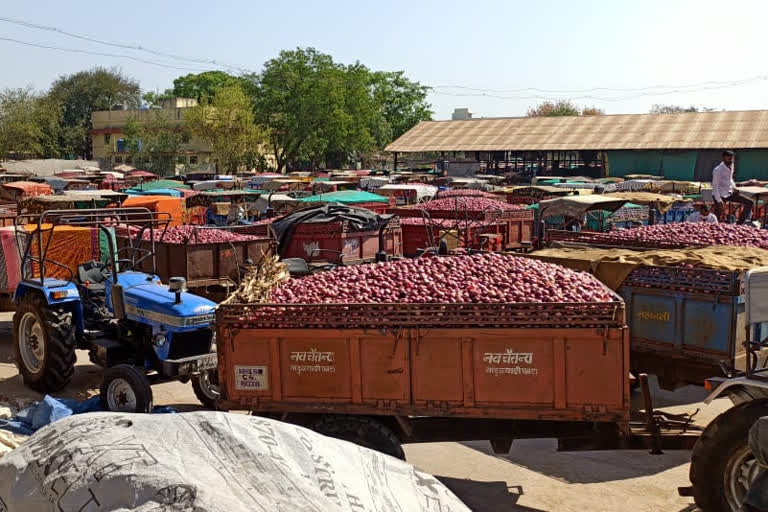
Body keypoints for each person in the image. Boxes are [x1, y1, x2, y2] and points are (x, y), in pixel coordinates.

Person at [712, 150, 753, 224]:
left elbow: (730, 179)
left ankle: (739, 224)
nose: (731, 160)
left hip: (730, 192)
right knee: (717, 216)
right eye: (729, 159)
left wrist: (734, 187)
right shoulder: (717, 170)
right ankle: (715, 227)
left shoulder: (732, 165)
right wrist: (719, 200)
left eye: (732, 159)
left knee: (749, 202)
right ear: (723, 158)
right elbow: (715, 186)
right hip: (720, 194)